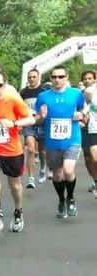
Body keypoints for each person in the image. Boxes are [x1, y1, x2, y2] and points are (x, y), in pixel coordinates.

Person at [0, 71, 35, 235]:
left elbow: (31, 119)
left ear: (5, 85)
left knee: (15, 186)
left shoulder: (13, 101)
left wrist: (13, 123)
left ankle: (18, 211)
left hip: (12, 150)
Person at [36, 66, 85, 219]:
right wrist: (41, 117)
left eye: (60, 76)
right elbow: (38, 118)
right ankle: (61, 200)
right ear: (50, 78)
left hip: (72, 138)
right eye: (54, 77)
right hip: (52, 141)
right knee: (57, 175)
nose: (57, 79)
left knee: (68, 170)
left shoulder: (76, 94)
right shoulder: (43, 96)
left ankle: (70, 198)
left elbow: (83, 110)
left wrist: (81, 114)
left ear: (66, 77)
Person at [19, 69, 48, 187]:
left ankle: (42, 169)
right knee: (30, 149)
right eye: (29, 77)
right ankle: (31, 178)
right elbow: (19, 107)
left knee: (42, 150)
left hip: (41, 122)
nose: (31, 79)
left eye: (34, 77)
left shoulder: (44, 91)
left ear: (38, 77)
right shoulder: (23, 92)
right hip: (29, 122)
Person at [80, 70, 97, 195]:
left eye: (90, 78)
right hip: (84, 128)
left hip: (93, 126)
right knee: (87, 157)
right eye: (85, 78)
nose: (87, 81)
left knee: (94, 156)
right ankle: (95, 179)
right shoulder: (79, 94)